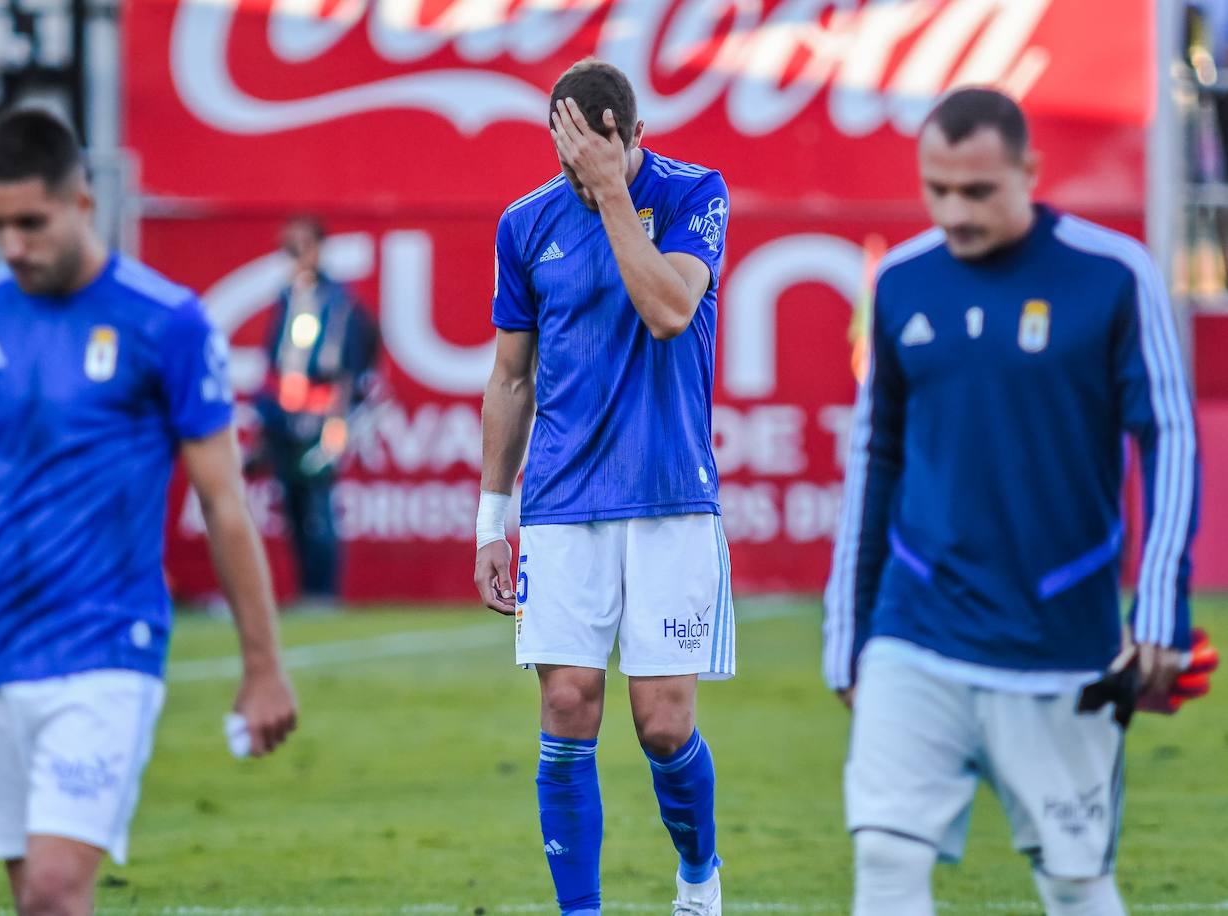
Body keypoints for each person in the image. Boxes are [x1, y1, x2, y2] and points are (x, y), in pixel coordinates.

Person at [0, 109, 298, 915]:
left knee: (57, 890)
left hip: (106, 645)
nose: (13, 244)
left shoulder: (165, 321)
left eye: (31, 222)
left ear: (82, 201)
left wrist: (262, 667)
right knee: (33, 896)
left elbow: (224, 501)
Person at [823, 88, 1200, 915]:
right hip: (915, 629)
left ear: (1030, 169)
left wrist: (1161, 603)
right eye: (937, 189)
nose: (954, 211)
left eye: (978, 191)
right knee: (884, 854)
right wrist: (848, 626)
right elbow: (875, 456)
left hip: (1060, 641)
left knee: (1073, 882)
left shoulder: (1112, 274)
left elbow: (1167, 435)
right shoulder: (901, 284)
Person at [473, 58, 733, 916]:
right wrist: (490, 520)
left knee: (662, 723)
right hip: (562, 504)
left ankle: (698, 873)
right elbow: (511, 378)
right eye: (566, 157)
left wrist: (614, 197)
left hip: (669, 495)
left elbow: (668, 311)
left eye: (597, 155)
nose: (580, 175)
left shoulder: (696, 196)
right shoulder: (524, 223)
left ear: (635, 137)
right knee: (567, 705)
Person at [253, 215, 378, 599]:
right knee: (291, 508)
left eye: (302, 246)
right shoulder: (287, 296)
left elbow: (348, 367)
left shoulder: (337, 301)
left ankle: (322, 594)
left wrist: (337, 423)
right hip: (282, 418)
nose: (295, 255)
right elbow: (276, 362)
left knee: (318, 508)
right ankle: (306, 589)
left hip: (321, 417)